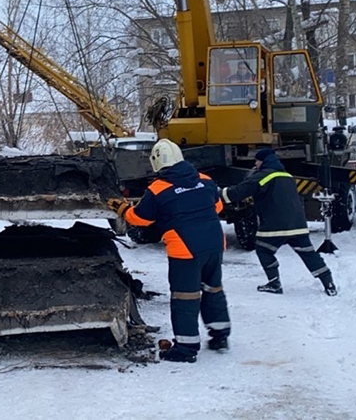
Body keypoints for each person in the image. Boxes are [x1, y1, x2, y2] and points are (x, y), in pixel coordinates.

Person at [107, 139, 231, 362]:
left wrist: (123, 208)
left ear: (156, 163)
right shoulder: (205, 180)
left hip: (185, 248)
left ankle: (185, 348)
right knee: (213, 289)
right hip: (214, 243)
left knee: (185, 297)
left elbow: (141, 219)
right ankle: (220, 335)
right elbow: (218, 206)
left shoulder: (158, 189)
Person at [221, 148, 338, 296]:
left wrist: (219, 194)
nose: (255, 164)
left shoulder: (263, 176)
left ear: (263, 161)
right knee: (308, 253)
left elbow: (239, 191)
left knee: (264, 250)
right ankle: (328, 283)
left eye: (257, 161)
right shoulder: (287, 176)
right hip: (298, 225)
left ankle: (274, 283)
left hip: (275, 224)